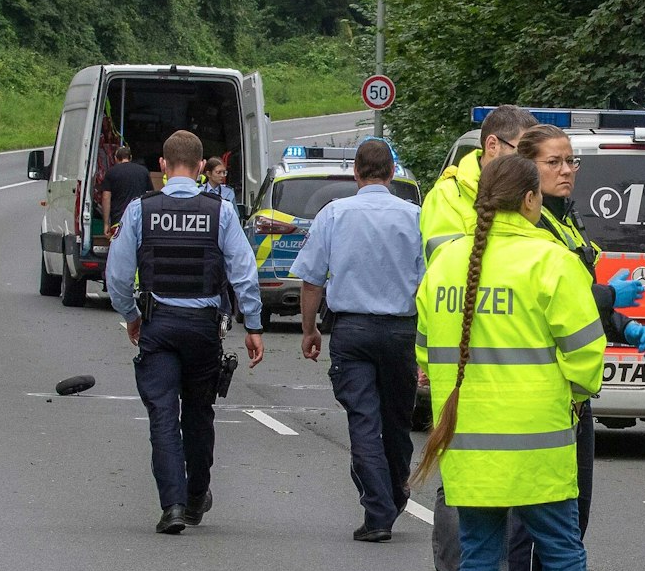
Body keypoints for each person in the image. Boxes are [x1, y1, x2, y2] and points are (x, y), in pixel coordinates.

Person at [411, 154, 624, 571]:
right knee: (559, 547)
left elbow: (423, 347)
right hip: (538, 435)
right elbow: (585, 349)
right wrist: (575, 396)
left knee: (480, 552)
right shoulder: (550, 260)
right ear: (530, 201)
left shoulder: (446, 263)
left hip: (465, 435)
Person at [505, 123, 645, 571]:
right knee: (537, 522)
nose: (567, 170)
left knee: (572, 517)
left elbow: (569, 306)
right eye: (554, 162)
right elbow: (542, 293)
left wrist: (616, 322)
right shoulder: (529, 225)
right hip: (540, 392)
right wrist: (608, 295)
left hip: (574, 390)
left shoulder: (565, 222)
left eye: (571, 161)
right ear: (527, 171)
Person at [105, 130, 265, 535]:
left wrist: (131, 315)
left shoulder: (141, 210)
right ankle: (196, 495)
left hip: (158, 326)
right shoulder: (220, 210)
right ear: (198, 169)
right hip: (202, 330)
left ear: (162, 166)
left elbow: (118, 275)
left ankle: (173, 505)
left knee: (162, 414)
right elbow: (244, 271)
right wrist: (254, 325)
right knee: (198, 413)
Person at [419, 104, 538, 571]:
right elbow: (448, 271)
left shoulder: (522, 192)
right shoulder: (448, 196)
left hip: (511, 358)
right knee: (459, 480)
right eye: (523, 151)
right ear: (493, 147)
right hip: (466, 358)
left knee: (508, 479)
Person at [291, 138, 424, 542]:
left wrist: (309, 329)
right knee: (398, 420)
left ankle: (378, 511)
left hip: (353, 332)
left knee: (364, 421)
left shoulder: (334, 214)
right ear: (392, 173)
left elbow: (312, 280)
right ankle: (395, 493)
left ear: (356, 172)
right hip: (403, 332)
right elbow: (432, 281)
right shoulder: (417, 216)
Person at [101, 141, 154, 235]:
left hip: (118, 222)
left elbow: (106, 198)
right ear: (130, 158)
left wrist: (106, 224)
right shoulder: (143, 171)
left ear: (116, 158)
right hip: (140, 221)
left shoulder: (111, 173)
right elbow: (150, 195)